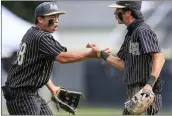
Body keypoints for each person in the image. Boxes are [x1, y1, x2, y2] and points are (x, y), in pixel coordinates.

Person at [2, 2, 110, 115]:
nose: (57, 21)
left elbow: (36, 68)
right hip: (22, 96)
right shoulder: (41, 37)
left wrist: (52, 87)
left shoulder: (31, 33)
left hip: (26, 93)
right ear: (40, 19)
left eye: (58, 17)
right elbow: (62, 57)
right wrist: (90, 55)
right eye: (52, 17)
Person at [87, 1, 165, 115]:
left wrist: (149, 85)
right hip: (135, 91)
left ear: (128, 12)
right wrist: (101, 53)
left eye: (118, 11)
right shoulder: (131, 33)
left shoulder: (143, 30)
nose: (114, 13)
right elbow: (123, 64)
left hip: (145, 91)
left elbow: (159, 57)